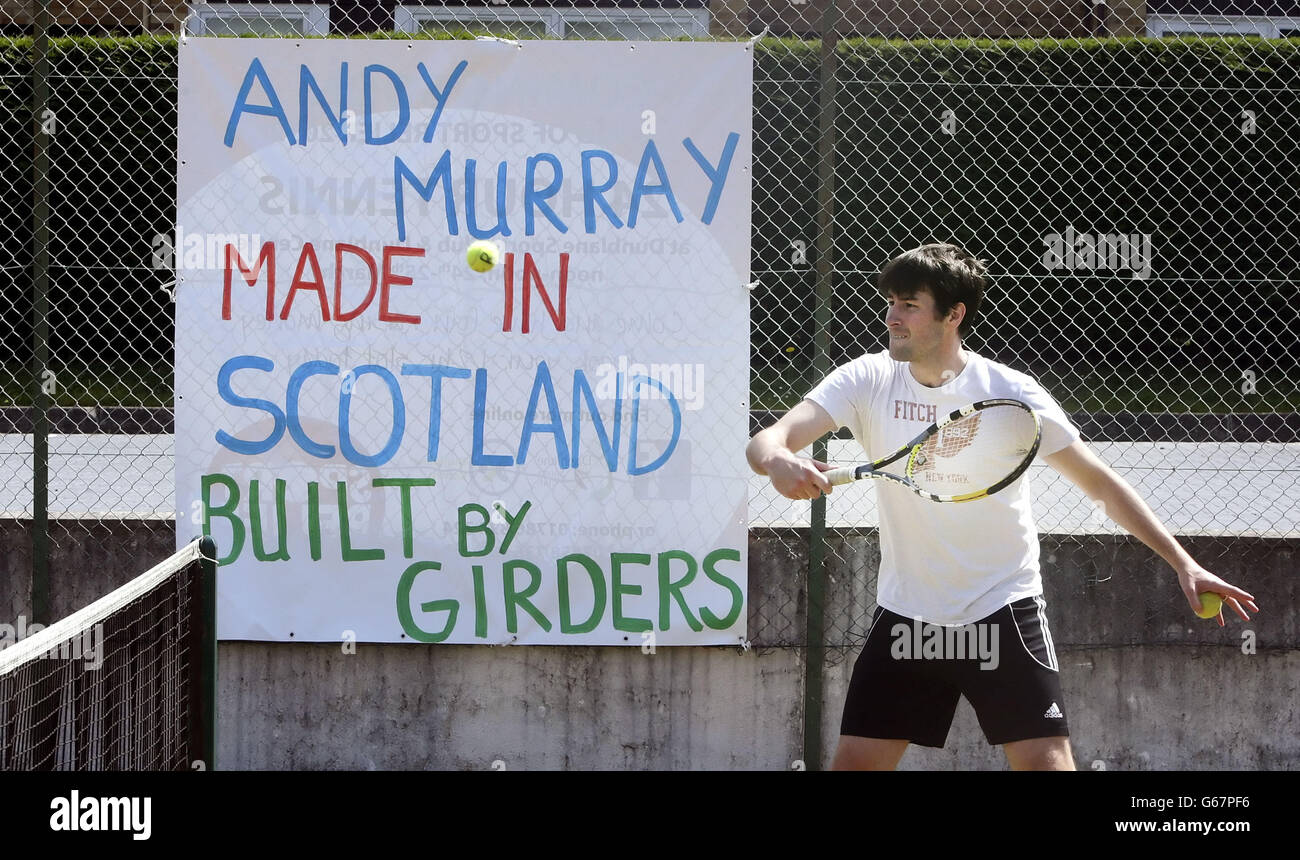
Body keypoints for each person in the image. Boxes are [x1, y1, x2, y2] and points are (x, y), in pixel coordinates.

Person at [746, 243, 1259, 771]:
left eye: (909, 305)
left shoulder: (1011, 396)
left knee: (1045, 764)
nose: (891, 316)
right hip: (909, 615)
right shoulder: (866, 379)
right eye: (891, 302)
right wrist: (779, 461)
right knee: (855, 765)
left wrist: (1183, 562)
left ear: (954, 315)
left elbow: (1101, 486)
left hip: (1001, 607)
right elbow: (766, 440)